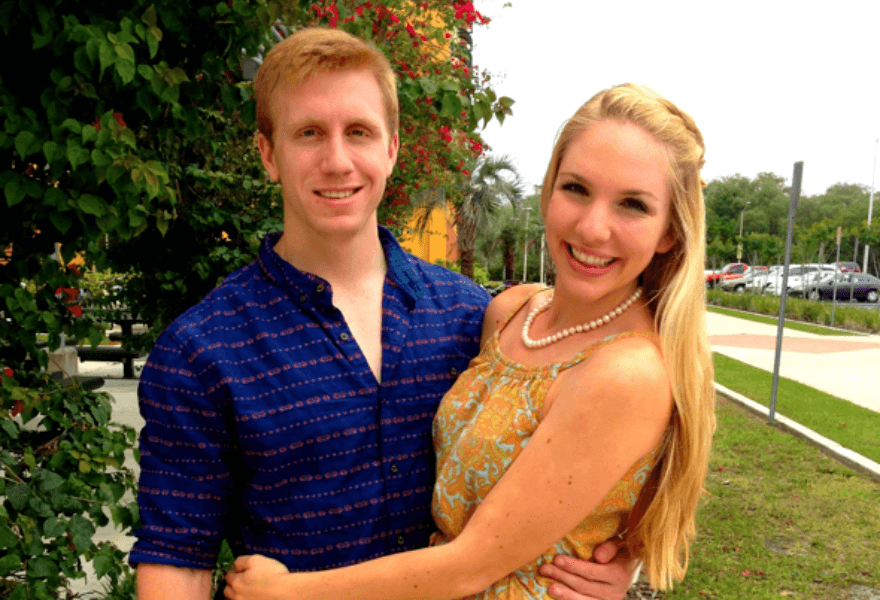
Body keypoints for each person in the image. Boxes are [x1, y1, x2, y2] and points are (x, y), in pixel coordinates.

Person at [131, 27, 633, 600]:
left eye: (360, 132)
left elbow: (576, 448)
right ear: (269, 154)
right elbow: (177, 559)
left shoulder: (475, 319)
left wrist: (607, 557)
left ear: (391, 148)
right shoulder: (200, 351)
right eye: (310, 133)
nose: (337, 161)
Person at [222, 82, 717, 599]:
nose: (593, 228)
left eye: (633, 205)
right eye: (576, 189)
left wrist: (288, 593)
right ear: (548, 191)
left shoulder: (626, 371)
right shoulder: (511, 313)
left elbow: (470, 564)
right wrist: (627, 555)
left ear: (669, 232)